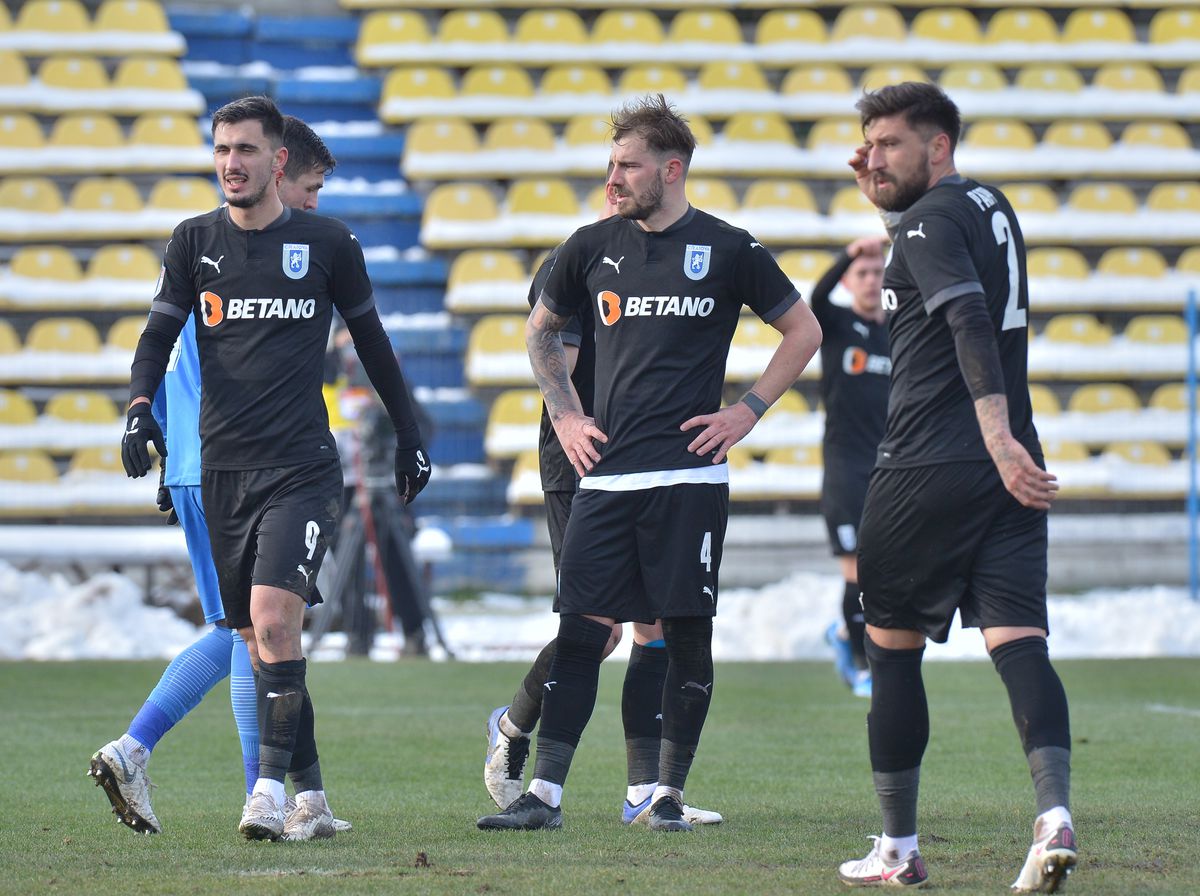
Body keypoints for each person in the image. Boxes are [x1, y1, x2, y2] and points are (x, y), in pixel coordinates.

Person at [477, 94, 821, 833]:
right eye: (609, 165)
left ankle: (660, 793)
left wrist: (747, 410)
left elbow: (802, 329)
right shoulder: (587, 246)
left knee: (679, 634)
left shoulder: (730, 248)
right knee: (581, 632)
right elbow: (540, 332)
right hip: (606, 479)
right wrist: (566, 413)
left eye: (627, 165)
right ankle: (544, 796)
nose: (613, 178)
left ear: (672, 168)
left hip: (688, 480)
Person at [118, 96, 430, 842]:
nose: (232, 162)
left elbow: (375, 343)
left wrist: (409, 431)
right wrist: (139, 409)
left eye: (246, 150)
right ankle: (311, 797)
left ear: (274, 160)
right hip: (218, 472)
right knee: (258, 640)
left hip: (300, 468)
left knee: (269, 624)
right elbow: (160, 339)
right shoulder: (194, 243)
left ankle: (261, 790)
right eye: (222, 149)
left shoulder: (326, 244)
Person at [834, 82, 1074, 892]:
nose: (872, 156)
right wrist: (1009, 446)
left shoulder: (932, 221)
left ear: (938, 146)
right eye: (866, 145)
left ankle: (898, 850)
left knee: (890, 651)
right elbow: (939, 279)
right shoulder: (985, 207)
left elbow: (967, 319)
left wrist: (996, 432)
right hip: (1007, 473)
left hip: (929, 465)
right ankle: (1053, 815)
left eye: (890, 143)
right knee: (1019, 643)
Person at [89, 114, 350, 836]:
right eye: (313, 188)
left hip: (200, 463)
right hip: (232, 463)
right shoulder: (239, 248)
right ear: (280, 172)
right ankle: (241, 788)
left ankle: (291, 796)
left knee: (255, 629)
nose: (317, 205)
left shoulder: (256, 251)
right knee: (249, 632)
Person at [482, 190, 722, 827]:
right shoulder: (583, 259)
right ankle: (511, 725)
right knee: (601, 626)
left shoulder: (670, 260)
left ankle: (645, 793)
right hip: (582, 456)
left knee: (655, 626)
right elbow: (566, 358)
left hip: (646, 461)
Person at [810, 237, 890, 699]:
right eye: (862, 273)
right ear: (849, 280)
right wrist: (848, 252)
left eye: (877, 272)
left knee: (881, 570)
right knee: (855, 569)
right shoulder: (837, 322)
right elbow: (815, 299)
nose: (871, 280)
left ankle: (845, 636)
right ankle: (861, 664)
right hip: (844, 466)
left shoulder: (896, 330)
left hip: (888, 467)